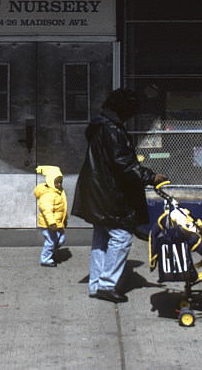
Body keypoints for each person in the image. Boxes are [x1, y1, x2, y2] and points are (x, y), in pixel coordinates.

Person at [71, 88, 168, 303]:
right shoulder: (112, 130)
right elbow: (124, 164)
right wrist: (150, 177)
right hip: (108, 194)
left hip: (97, 191)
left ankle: (96, 284)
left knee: (102, 238)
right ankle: (107, 284)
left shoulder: (100, 126)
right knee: (122, 237)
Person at [34, 165, 67, 267]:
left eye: (60, 182)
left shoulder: (57, 192)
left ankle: (51, 253)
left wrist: (64, 220)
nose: (59, 184)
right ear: (50, 182)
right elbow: (47, 211)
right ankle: (45, 259)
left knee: (61, 238)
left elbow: (62, 207)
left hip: (57, 223)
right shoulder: (48, 194)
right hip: (49, 225)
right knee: (51, 242)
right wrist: (52, 223)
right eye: (56, 182)